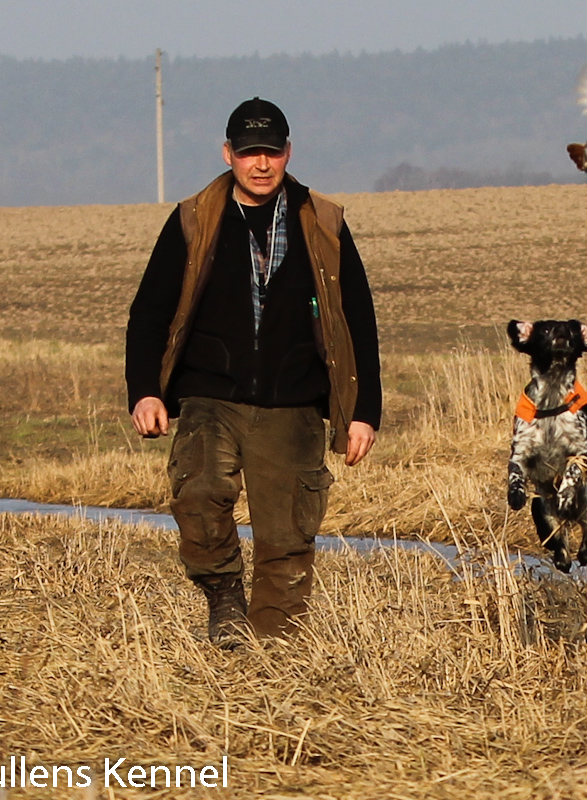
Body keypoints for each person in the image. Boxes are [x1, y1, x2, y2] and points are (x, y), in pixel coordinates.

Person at [125, 97, 381, 646]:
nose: (260, 164)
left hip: (294, 404)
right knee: (199, 496)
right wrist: (145, 391)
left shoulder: (324, 221)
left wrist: (365, 412)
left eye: (271, 151)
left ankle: (269, 656)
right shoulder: (194, 218)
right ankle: (223, 595)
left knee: (287, 540)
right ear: (228, 154)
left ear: (288, 152)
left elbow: (358, 319)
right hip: (210, 396)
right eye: (248, 153)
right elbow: (149, 312)